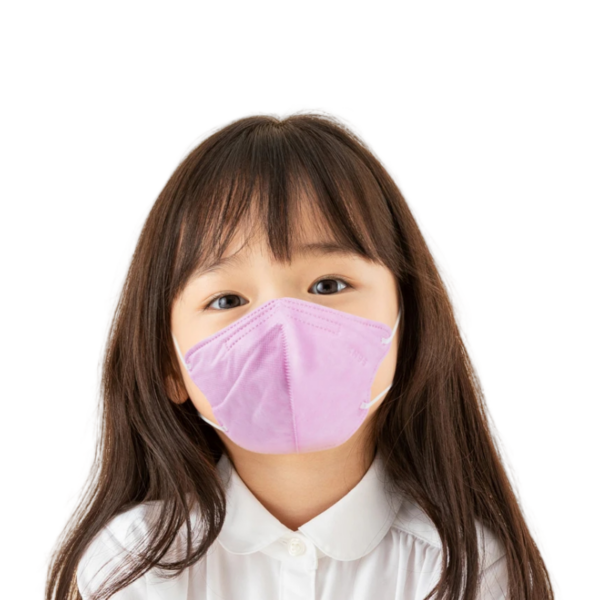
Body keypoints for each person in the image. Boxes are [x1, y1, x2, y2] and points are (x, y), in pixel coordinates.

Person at [45, 113, 554, 600]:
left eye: (328, 284)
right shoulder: (127, 566)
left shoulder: (464, 568)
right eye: (227, 300)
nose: (283, 327)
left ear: (410, 325)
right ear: (168, 365)